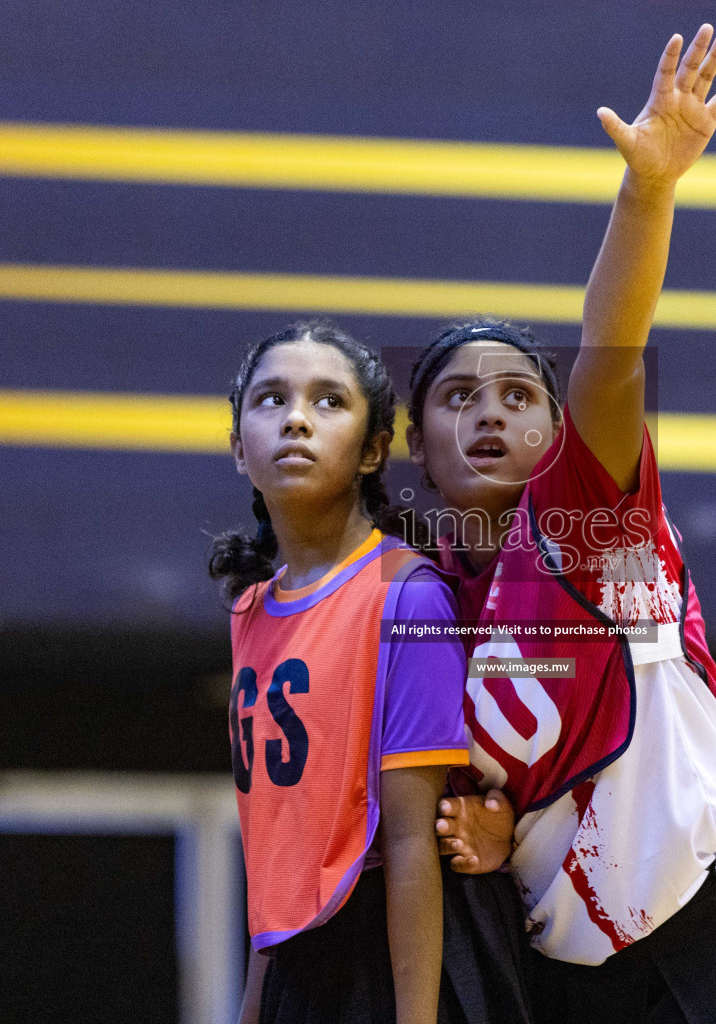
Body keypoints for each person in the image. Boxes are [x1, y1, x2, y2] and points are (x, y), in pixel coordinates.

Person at [418, 26, 716, 1024]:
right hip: (561, 977)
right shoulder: (415, 592)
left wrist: (647, 190)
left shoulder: (578, 507)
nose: (488, 413)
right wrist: (483, 824)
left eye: (516, 394)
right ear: (420, 452)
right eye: (457, 397)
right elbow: (452, 803)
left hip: (701, 943)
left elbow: (610, 359)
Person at [212, 322, 478, 1024]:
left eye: (328, 401)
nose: (295, 417)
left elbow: (411, 844)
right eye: (270, 400)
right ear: (240, 448)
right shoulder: (249, 615)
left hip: (385, 968)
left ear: (373, 449)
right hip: (293, 973)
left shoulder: (409, 594)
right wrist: (254, 1006)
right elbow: (277, 853)